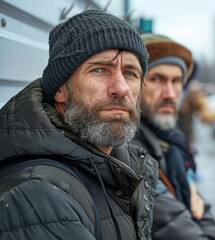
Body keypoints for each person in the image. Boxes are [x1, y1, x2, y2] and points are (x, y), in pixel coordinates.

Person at [0, 10, 158, 240]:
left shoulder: (122, 168)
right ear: (61, 89)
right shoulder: (38, 193)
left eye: (130, 73)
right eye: (99, 69)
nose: (121, 88)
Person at [112, 33, 215, 239]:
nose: (170, 93)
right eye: (157, 79)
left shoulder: (171, 139)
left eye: (177, 81)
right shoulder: (127, 147)